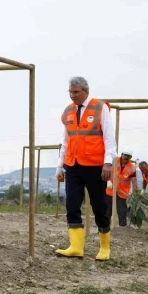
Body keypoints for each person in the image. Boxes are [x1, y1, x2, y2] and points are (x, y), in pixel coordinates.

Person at [55, 77, 116, 261]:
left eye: (76, 92)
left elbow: (109, 138)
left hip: (95, 167)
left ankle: (105, 247)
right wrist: (60, 165)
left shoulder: (100, 108)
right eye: (71, 92)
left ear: (85, 91)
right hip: (73, 165)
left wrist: (108, 162)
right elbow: (66, 141)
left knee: (100, 206)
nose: (73, 95)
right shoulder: (68, 112)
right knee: (72, 204)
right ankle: (76, 247)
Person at [105, 150, 137, 227]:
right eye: (125, 155)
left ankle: (122, 227)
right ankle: (106, 226)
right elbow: (106, 171)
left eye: (128, 156)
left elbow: (134, 180)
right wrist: (108, 181)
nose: (126, 157)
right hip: (110, 189)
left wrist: (135, 192)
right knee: (107, 209)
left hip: (122, 192)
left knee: (122, 210)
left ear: (130, 157)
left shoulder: (132, 167)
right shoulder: (113, 161)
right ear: (122, 154)